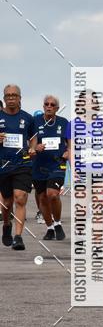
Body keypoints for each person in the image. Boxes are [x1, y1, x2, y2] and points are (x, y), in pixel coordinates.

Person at [0, 84, 36, 250]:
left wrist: (32, 148)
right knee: (7, 203)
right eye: (8, 95)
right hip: (3, 165)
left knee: (20, 197)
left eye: (14, 95)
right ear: (4, 98)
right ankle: (7, 224)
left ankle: (18, 237)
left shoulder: (28, 118)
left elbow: (34, 138)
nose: (11, 98)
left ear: (20, 98)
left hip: (23, 163)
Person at [31, 95, 69, 241]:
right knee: (42, 198)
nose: (49, 106)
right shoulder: (35, 122)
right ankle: (50, 228)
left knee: (52, 194)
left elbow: (71, 143)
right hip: (39, 165)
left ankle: (57, 223)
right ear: (43, 106)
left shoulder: (64, 123)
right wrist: (35, 147)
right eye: (46, 104)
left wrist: (68, 151)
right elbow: (30, 142)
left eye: (52, 105)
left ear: (57, 108)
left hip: (57, 164)